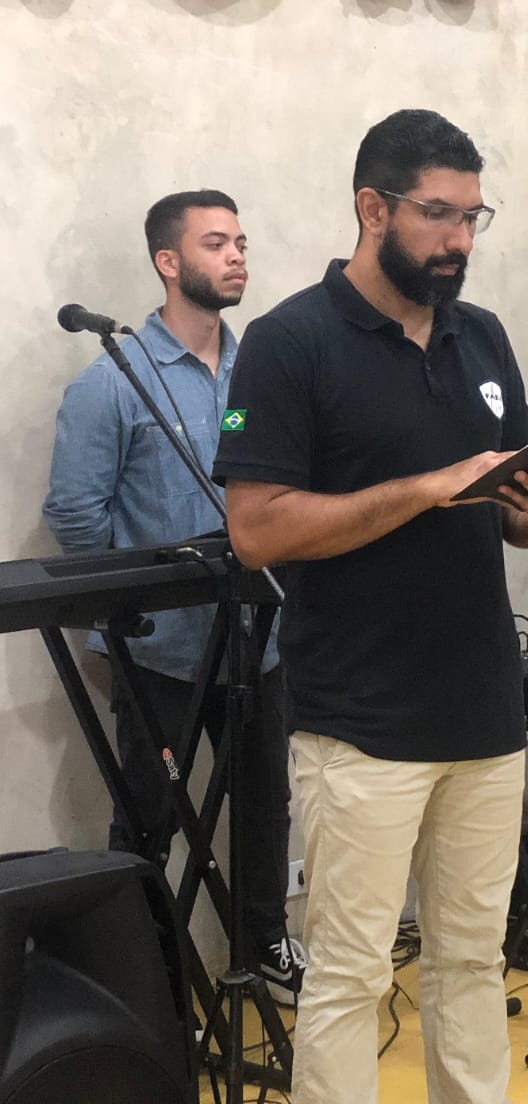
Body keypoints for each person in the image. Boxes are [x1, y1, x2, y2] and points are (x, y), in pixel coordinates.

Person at [215, 110, 528, 1104]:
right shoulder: (291, 342)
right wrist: (422, 490)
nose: (460, 239)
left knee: (472, 962)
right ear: (372, 208)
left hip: (481, 705)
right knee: (349, 974)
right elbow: (256, 530)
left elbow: (514, 508)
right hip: (360, 720)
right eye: (438, 214)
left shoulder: (480, 337)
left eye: (474, 216)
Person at [42, 189, 302, 1004]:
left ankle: (264, 946)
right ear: (167, 261)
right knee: (147, 820)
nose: (237, 256)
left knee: (264, 807)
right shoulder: (115, 381)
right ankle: (148, 984)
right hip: (159, 653)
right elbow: (74, 513)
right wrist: (135, 602)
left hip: (255, 640)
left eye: (241, 242)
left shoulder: (260, 372)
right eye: (216, 243)